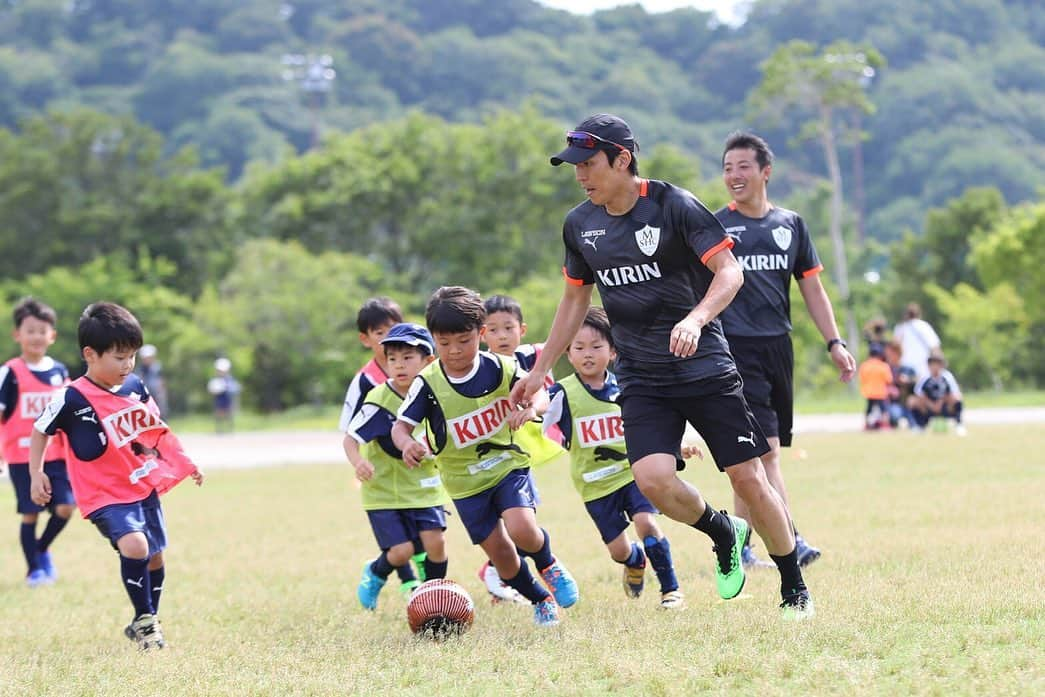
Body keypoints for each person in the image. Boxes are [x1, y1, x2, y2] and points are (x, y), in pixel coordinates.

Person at [514, 113, 813, 619]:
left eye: (589, 164)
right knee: (652, 479)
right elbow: (572, 302)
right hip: (642, 376)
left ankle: (793, 586)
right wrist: (541, 369)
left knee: (748, 478)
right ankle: (723, 532)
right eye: (575, 167)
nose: (581, 175)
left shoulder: (674, 206)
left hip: (705, 367)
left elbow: (729, 272)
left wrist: (697, 319)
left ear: (622, 159)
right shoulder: (579, 224)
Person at [391, 286, 578, 627]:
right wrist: (406, 444)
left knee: (523, 528)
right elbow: (400, 427)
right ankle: (540, 599)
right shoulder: (428, 384)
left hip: (506, 465)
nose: (454, 351)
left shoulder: (500, 367)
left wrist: (530, 410)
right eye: (444, 343)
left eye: (463, 341)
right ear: (433, 340)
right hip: (464, 484)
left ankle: (548, 563)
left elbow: (540, 396)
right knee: (502, 555)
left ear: (482, 333)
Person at [715, 131, 857, 569]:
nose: (734, 175)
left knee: (750, 454)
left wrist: (835, 341)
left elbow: (812, 288)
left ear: (765, 172)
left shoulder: (790, 225)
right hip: (737, 348)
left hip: (779, 348)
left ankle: (738, 544)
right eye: (727, 168)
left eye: (742, 166)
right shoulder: (717, 225)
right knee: (766, 451)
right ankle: (791, 538)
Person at [29, 302, 203, 650]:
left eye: (132, 356)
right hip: (102, 493)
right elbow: (40, 431)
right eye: (120, 357)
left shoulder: (136, 386)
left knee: (154, 554)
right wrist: (36, 473)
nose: (128, 365)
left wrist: (181, 462)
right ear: (90, 355)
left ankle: (144, 619)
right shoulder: (69, 397)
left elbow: (156, 431)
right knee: (135, 545)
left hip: (140, 485)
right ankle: (148, 623)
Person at [544, 306, 687, 609]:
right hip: (595, 485)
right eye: (578, 347)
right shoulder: (562, 393)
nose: (587, 354)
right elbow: (538, 414)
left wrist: (674, 448)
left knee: (646, 522)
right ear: (568, 353)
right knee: (617, 551)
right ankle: (634, 560)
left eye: (596, 346)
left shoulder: (628, 386)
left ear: (612, 351)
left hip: (632, 473)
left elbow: (653, 423)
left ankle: (670, 590)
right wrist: (524, 412)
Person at [343, 323, 451, 610]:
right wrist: (359, 462)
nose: (398, 365)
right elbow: (350, 439)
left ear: (429, 360)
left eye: (407, 358)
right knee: (401, 552)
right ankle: (376, 573)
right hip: (384, 492)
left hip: (424, 488)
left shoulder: (437, 394)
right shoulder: (379, 399)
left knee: (436, 544)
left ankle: (433, 599)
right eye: (392, 359)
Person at [477, 294, 563, 604]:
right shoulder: (479, 366)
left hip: (523, 452)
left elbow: (546, 389)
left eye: (508, 328)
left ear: (522, 330)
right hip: (491, 454)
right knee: (512, 524)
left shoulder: (532, 358)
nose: (502, 336)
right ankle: (498, 572)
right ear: (482, 334)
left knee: (524, 522)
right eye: (494, 329)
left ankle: (500, 575)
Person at [337, 296, 424, 595]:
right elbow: (349, 428)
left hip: (417, 464)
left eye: (394, 328)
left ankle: (425, 579)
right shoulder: (365, 381)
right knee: (398, 536)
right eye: (379, 333)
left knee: (425, 532)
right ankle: (407, 579)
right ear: (365, 339)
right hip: (382, 466)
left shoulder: (421, 368)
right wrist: (359, 461)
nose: (389, 338)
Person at [0, 298, 74, 587]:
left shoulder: (60, 371)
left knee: (65, 507)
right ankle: (34, 571)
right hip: (22, 458)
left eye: (42, 330)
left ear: (52, 335)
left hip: (57, 454)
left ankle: (41, 549)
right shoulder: (9, 373)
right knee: (30, 513)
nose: (36, 336)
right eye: (29, 330)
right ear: (17, 334)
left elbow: (70, 412)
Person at [910, 351, 966, 436]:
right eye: (932, 364)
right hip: (928, 406)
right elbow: (919, 393)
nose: (935, 367)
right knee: (912, 401)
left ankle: (959, 425)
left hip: (945, 406)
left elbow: (955, 392)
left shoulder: (947, 376)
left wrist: (941, 402)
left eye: (937, 364)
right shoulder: (925, 377)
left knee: (957, 398)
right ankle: (920, 426)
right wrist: (931, 404)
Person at [893, 302, 941, 383]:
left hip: (904, 366)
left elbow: (895, 347)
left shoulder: (900, 327)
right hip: (923, 367)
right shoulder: (924, 326)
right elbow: (934, 346)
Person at [858, 343, 893, 430]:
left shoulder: (864, 366)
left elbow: (861, 379)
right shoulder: (883, 366)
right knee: (884, 410)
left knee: (868, 410)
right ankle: (885, 425)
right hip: (881, 392)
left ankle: (866, 425)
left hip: (869, 392)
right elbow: (889, 380)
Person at [884, 340, 916, 428]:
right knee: (894, 415)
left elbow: (918, 387)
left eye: (890, 353)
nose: (888, 355)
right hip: (893, 404)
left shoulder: (909, 369)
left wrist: (908, 381)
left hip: (909, 403)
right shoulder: (885, 369)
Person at [207, 357, 240, 434]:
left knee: (229, 413)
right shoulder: (215, 380)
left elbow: (235, 389)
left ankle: (230, 429)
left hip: (228, 398)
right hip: (219, 399)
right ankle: (219, 429)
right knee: (219, 413)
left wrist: (227, 388)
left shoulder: (230, 379)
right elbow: (212, 390)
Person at [135, 344, 169, 416]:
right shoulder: (140, 369)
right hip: (146, 394)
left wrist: (162, 392)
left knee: (161, 412)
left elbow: (162, 380)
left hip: (158, 393)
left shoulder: (158, 367)